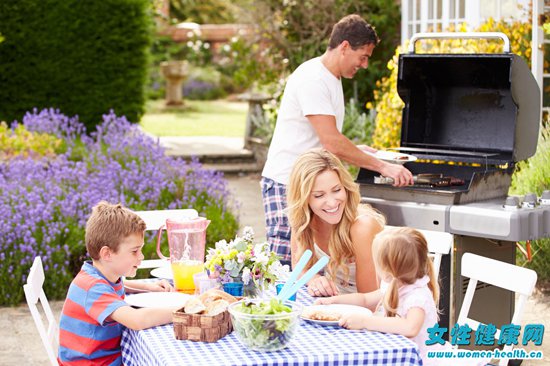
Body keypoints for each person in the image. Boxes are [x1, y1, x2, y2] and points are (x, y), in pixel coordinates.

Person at [261, 14, 413, 263]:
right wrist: (384, 166)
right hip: (286, 183)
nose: (364, 65)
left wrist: (358, 149)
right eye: (363, 57)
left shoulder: (330, 78)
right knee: (287, 267)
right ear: (344, 47)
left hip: (309, 182)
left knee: (310, 265)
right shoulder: (313, 78)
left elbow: (325, 139)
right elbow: (331, 141)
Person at [58, 201, 177, 365]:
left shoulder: (100, 275)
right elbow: (137, 320)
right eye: (135, 251)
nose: (141, 257)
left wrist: (147, 287)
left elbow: (118, 287)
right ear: (107, 254)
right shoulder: (93, 287)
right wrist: (182, 310)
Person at [315, 227, 452, 365]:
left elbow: (411, 327)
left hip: (420, 360)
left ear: (388, 271)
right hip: (396, 353)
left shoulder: (417, 296)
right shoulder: (393, 284)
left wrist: (365, 322)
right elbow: (365, 299)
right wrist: (333, 301)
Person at [287, 149, 385, 297]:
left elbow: (371, 301)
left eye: (337, 190)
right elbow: (299, 267)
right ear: (304, 199)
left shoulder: (362, 227)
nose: (332, 203)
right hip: (337, 306)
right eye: (319, 195)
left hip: (369, 311)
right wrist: (315, 279)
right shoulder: (303, 221)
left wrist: (330, 304)